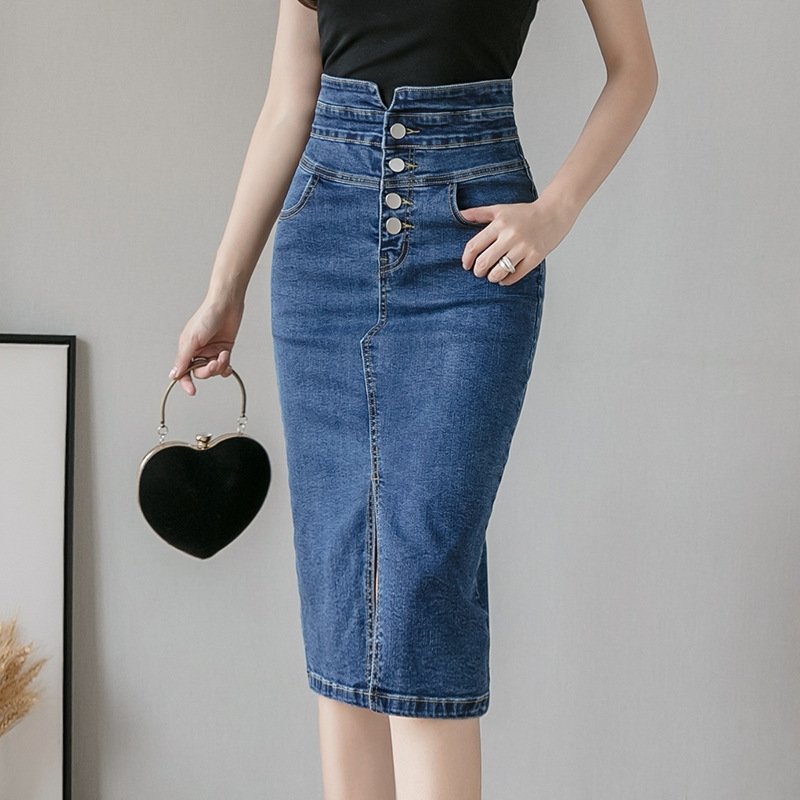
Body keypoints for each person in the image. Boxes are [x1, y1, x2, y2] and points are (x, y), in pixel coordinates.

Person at [168, 0, 658, 797]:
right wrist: (225, 290)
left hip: (471, 241)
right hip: (325, 232)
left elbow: (634, 70)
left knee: (425, 569)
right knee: (338, 564)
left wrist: (555, 211)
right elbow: (290, 99)